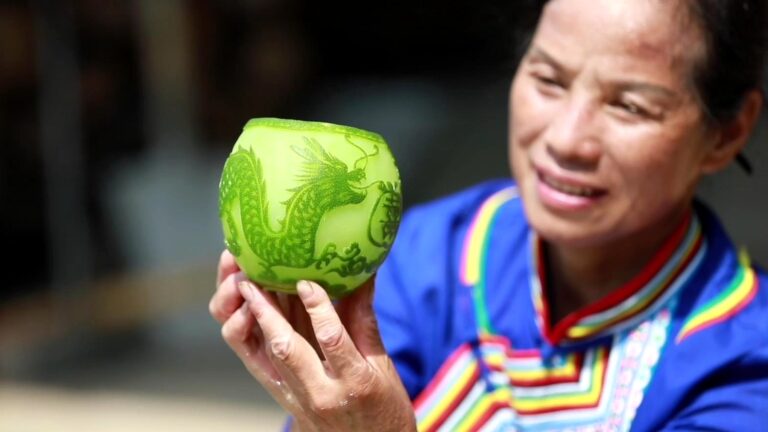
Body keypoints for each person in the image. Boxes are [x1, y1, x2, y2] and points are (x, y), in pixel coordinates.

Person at [209, 0, 768, 430]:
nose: (567, 139)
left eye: (630, 105)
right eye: (548, 80)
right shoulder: (429, 259)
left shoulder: (743, 361)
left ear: (729, 132)